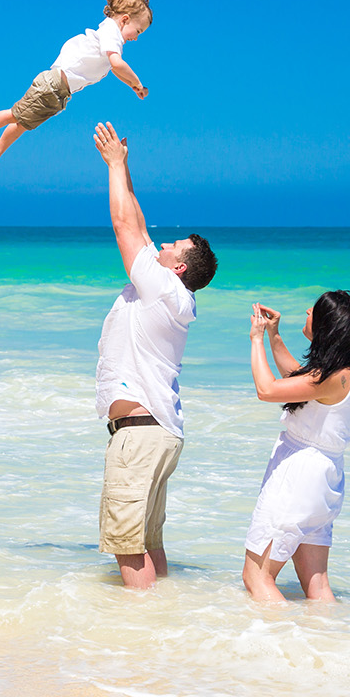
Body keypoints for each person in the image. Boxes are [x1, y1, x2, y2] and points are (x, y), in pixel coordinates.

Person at [92, 121, 217, 589]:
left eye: (173, 246)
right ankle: (162, 637)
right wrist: (125, 173)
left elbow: (125, 227)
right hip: (159, 432)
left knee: (128, 547)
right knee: (149, 541)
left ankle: (137, 645)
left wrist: (116, 166)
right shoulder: (171, 293)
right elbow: (140, 228)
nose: (162, 243)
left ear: (179, 267)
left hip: (140, 434)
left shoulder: (163, 287)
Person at [241, 291, 350, 603]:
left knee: (257, 577)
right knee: (317, 585)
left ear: (327, 327)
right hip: (325, 481)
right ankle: (327, 642)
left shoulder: (331, 377)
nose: (307, 310)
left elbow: (267, 389)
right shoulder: (349, 374)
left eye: (314, 311)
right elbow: (296, 380)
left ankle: (283, 644)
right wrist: (274, 336)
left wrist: (256, 338)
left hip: (299, 475)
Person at [0, 0, 151, 178]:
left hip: (59, 93)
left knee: (24, 122)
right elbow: (117, 64)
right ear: (125, 19)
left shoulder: (110, 39)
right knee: (15, 114)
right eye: (138, 31)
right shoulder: (112, 32)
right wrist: (138, 82)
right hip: (52, 86)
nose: (135, 38)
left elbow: (114, 69)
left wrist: (131, 86)